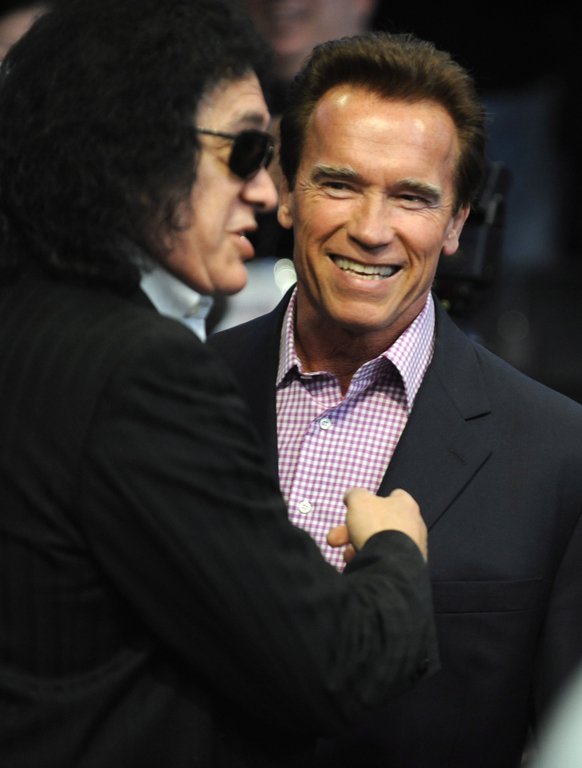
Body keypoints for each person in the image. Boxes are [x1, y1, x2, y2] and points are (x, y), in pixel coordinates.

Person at [0, 4, 439, 767]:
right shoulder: (143, 371)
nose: (266, 192)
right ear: (133, 145)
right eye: (243, 150)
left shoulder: (28, 318)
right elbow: (335, 666)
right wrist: (397, 550)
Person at [209, 32, 582, 768]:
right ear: (285, 190)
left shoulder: (558, 455)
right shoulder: (181, 388)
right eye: (340, 184)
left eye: (411, 197)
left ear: (458, 221)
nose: (372, 230)